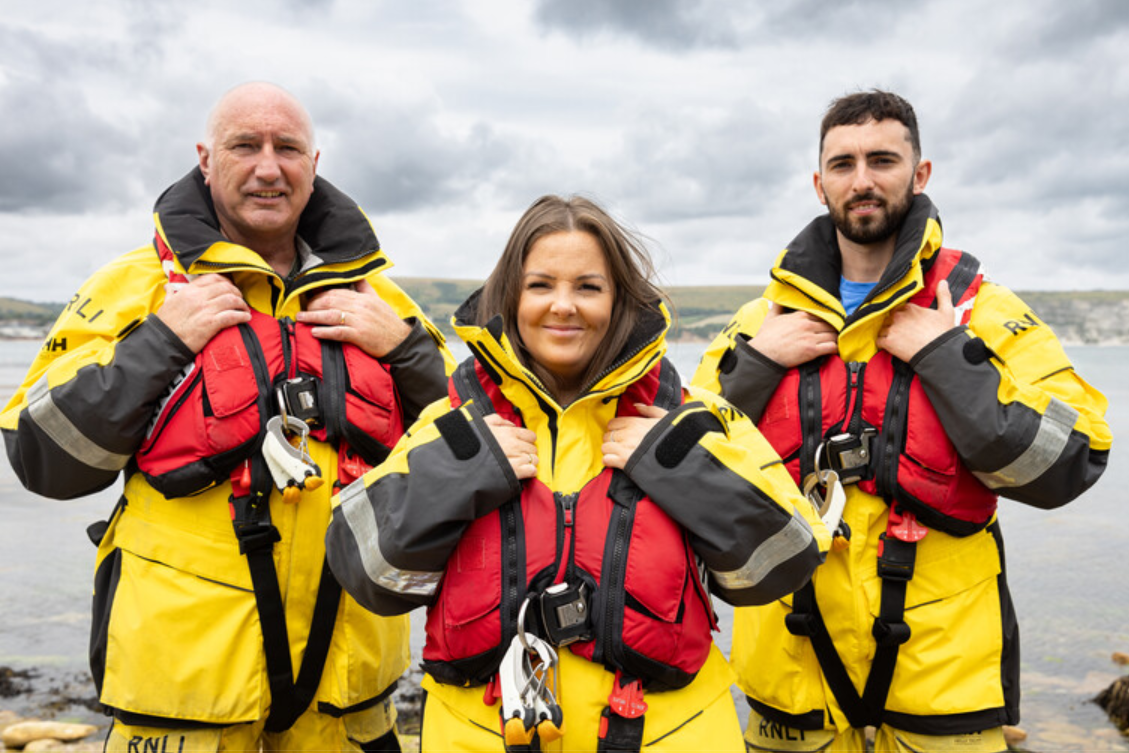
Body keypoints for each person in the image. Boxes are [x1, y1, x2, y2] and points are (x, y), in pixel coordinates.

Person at [1, 82, 453, 753]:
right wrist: (158, 342)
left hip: (346, 675)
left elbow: (476, 442)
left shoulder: (377, 301)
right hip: (184, 678)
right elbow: (43, 457)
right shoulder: (135, 288)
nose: (268, 166)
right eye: (245, 145)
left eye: (288, 148)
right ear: (205, 160)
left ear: (314, 163)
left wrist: (410, 352)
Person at [325, 194, 831, 752]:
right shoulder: (452, 424)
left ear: (620, 302)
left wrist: (679, 464)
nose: (563, 305)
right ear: (511, 297)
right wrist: (458, 472)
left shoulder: (692, 418)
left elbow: (790, 555)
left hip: (671, 736)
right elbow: (363, 568)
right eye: (541, 285)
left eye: (588, 287)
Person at [692, 90, 1112, 752]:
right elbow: (678, 474)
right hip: (791, 679)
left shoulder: (980, 312)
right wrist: (752, 369)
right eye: (843, 163)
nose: (861, 180)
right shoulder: (757, 326)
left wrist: (948, 357)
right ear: (818, 181)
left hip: (944, 679)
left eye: (882, 159)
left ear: (919, 175)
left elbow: (1072, 459)